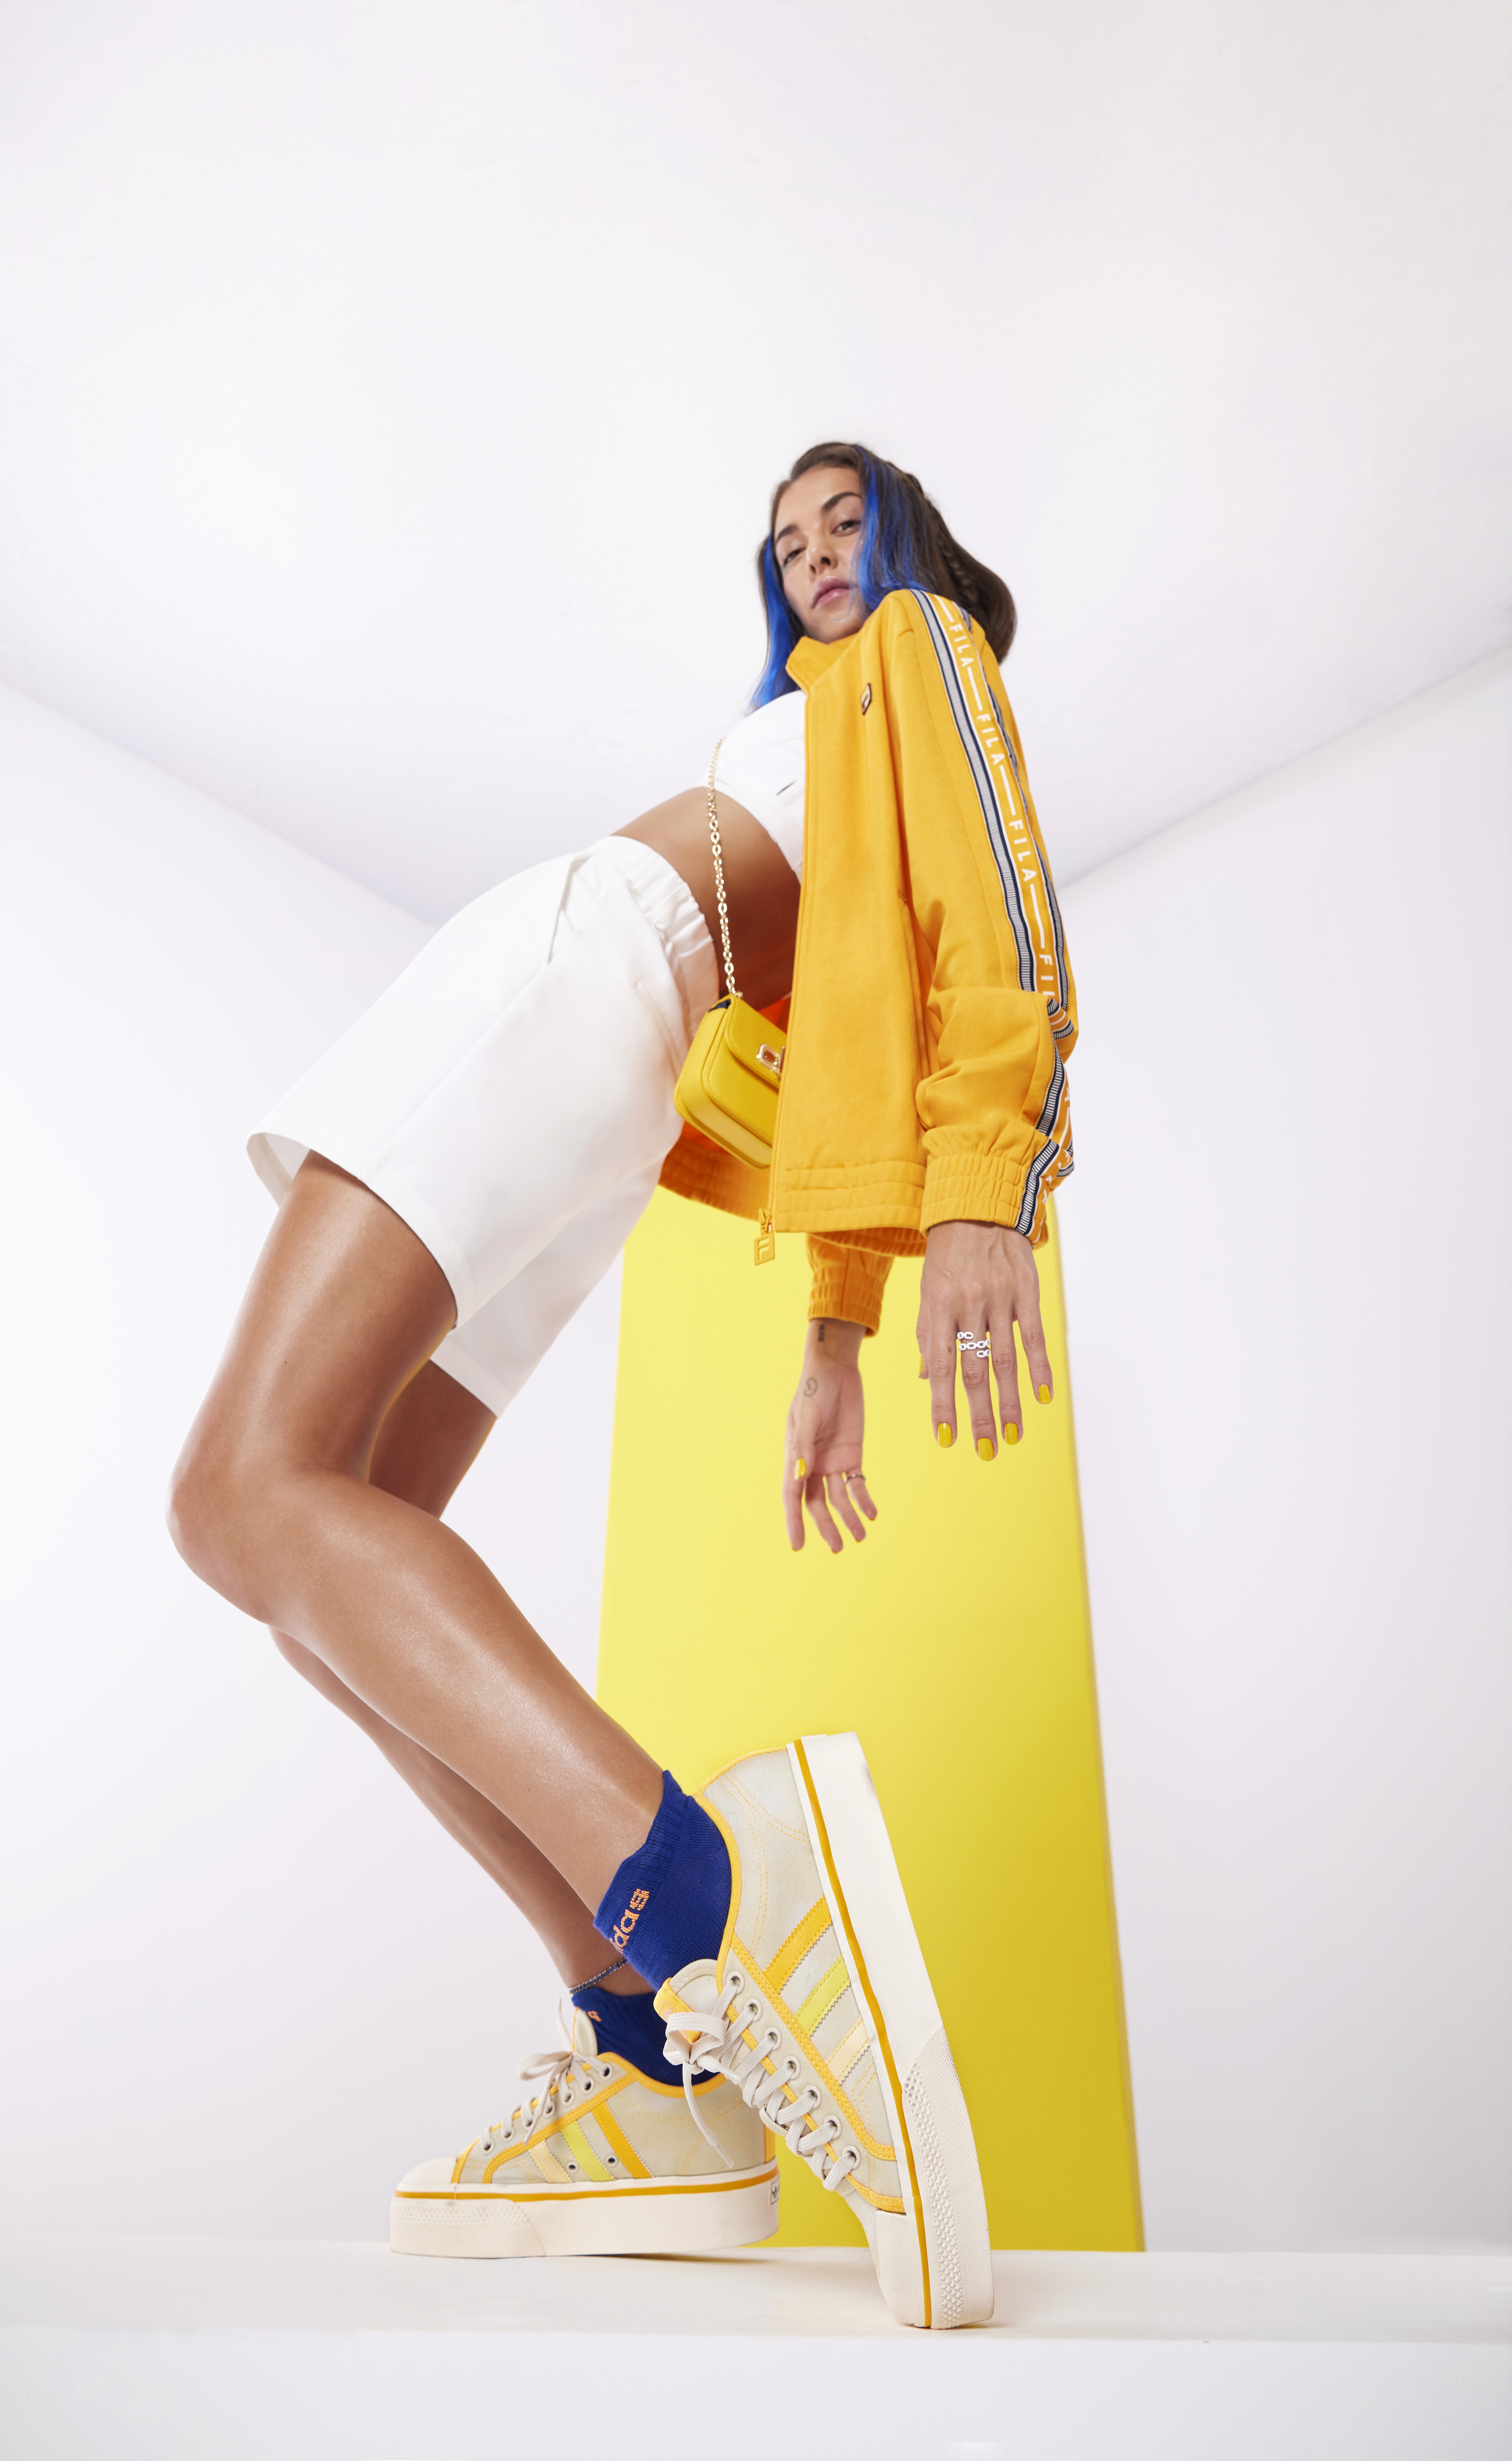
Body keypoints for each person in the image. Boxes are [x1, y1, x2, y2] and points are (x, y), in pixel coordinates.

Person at [168, 443, 1077, 2332]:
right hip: (641, 1077)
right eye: (787, 541)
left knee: (239, 1496)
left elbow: (996, 927)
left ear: (914, 544)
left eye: (846, 523)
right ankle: (653, 2042)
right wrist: (833, 1337)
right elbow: (855, 1041)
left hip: (593, 974)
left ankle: (715, 1902)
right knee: (333, 1560)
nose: (814, 558)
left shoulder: (925, 657)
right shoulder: (824, 731)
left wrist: (988, 1193)